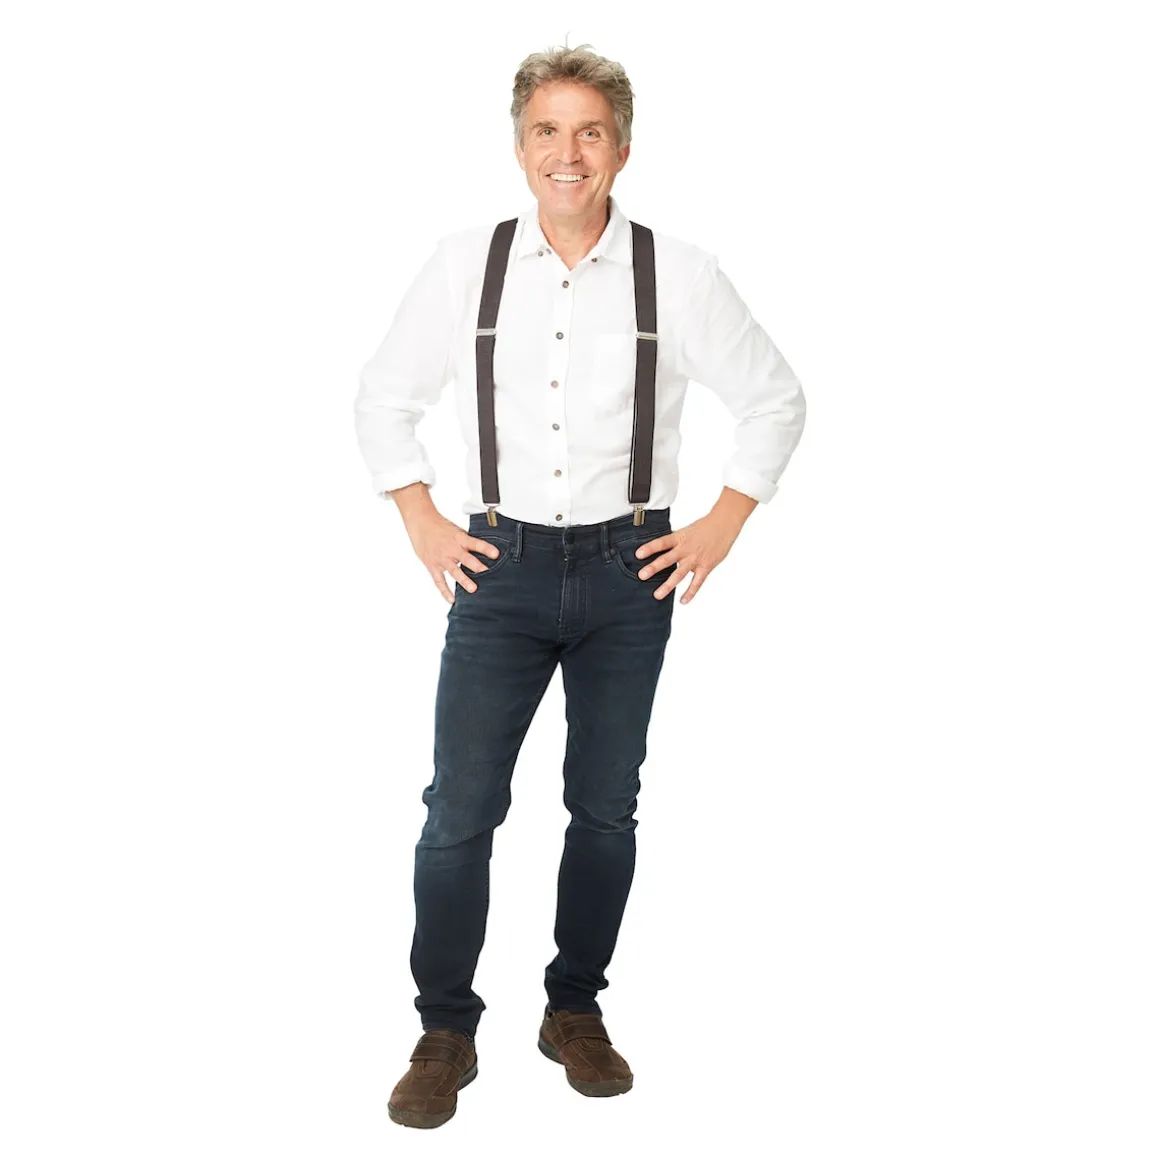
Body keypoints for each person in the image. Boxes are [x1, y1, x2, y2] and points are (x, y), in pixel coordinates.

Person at [354, 43, 806, 1129]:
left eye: (589, 132)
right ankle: (444, 1028)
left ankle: (573, 1009)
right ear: (520, 149)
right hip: (498, 568)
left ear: (622, 149)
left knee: (604, 808)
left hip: (627, 572)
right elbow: (381, 400)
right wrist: (421, 516)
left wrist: (722, 521)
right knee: (458, 810)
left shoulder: (678, 273)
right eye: (547, 132)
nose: (568, 153)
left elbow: (775, 399)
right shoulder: (463, 264)